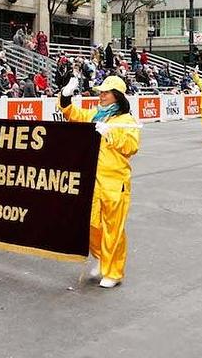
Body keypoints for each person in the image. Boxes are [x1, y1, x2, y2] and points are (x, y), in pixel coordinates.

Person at [58, 74, 140, 289]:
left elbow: (131, 147)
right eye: (100, 92)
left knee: (114, 228)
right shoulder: (96, 115)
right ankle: (103, 259)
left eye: (105, 92)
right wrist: (66, 97)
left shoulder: (127, 121)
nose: (101, 96)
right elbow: (74, 115)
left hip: (115, 182)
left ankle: (114, 272)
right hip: (93, 180)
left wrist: (110, 135)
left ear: (117, 96)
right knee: (91, 224)